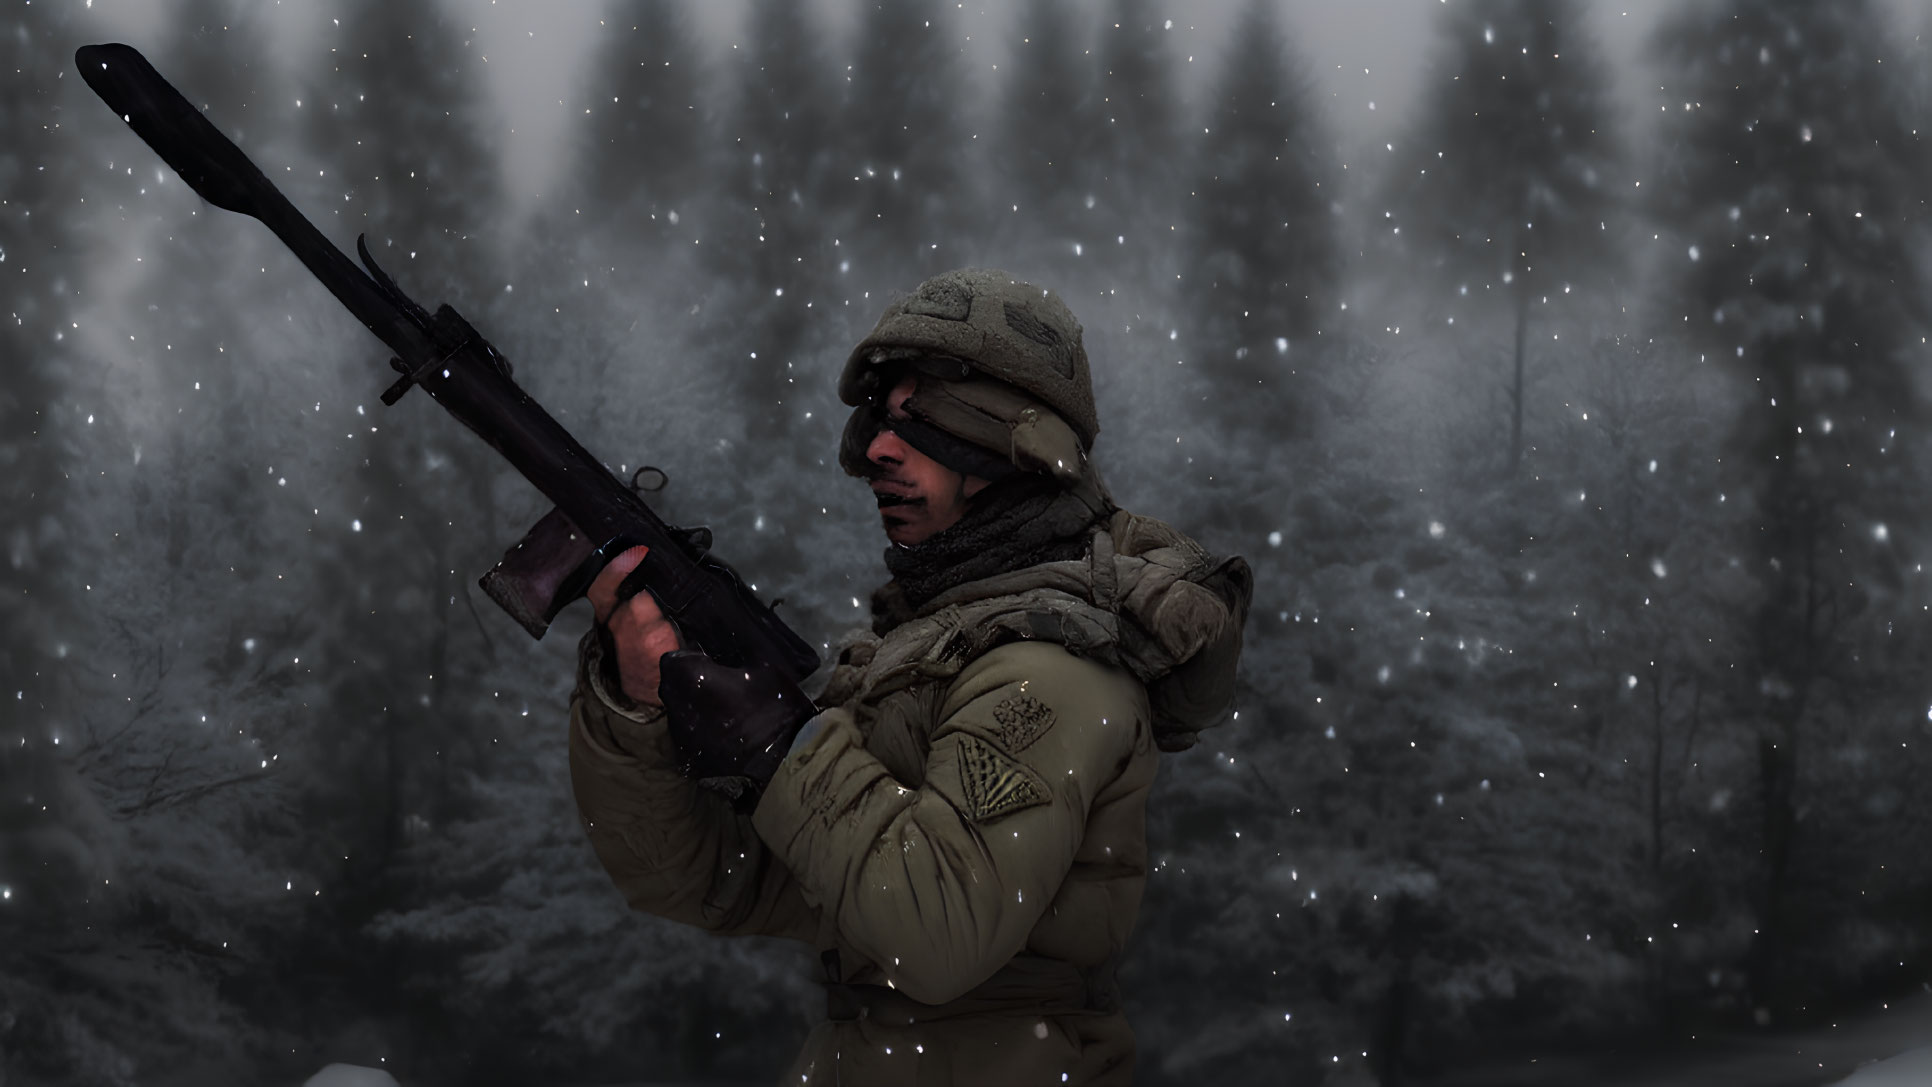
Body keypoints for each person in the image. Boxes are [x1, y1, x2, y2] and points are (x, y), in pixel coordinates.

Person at [568, 268, 1252, 1085]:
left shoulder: (1053, 667)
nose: (879, 452)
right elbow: (703, 881)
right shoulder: (921, 655)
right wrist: (636, 706)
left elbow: (937, 933)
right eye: (880, 423)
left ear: (1015, 443)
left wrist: (782, 745)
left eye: (921, 420)